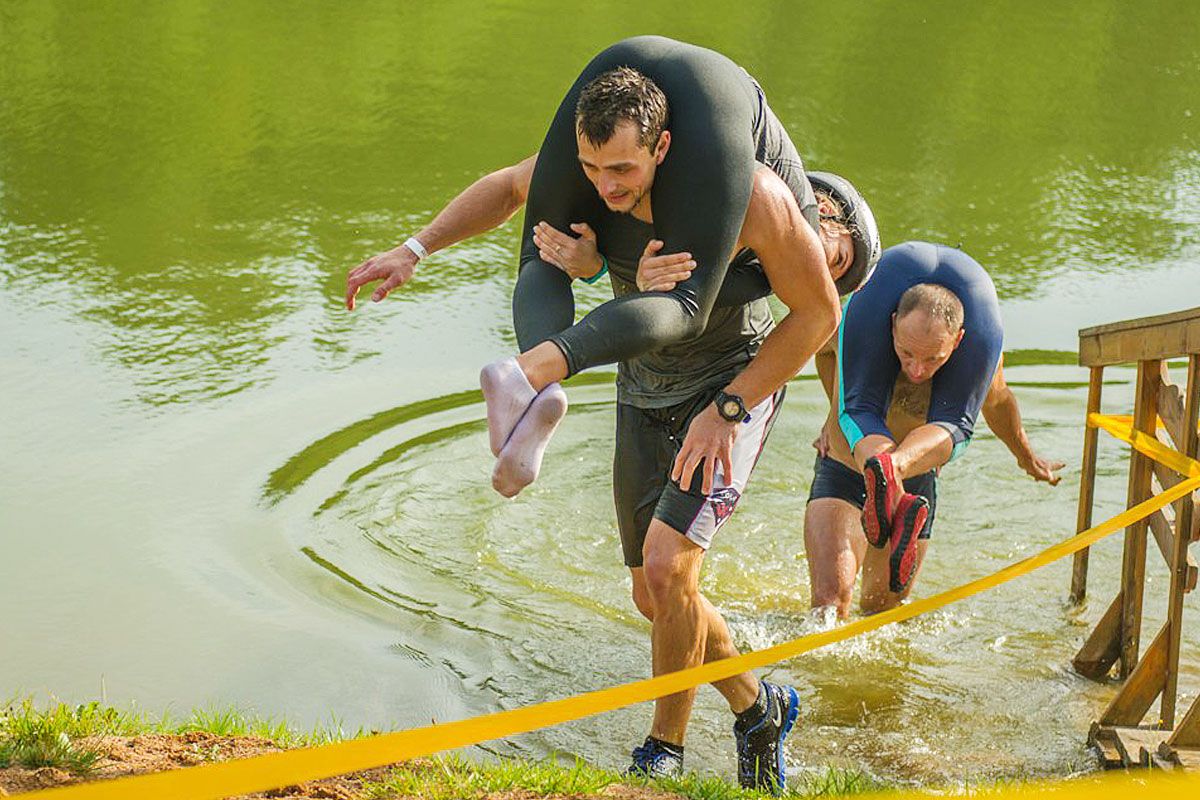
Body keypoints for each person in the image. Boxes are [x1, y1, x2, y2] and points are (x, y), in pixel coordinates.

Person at [344, 37, 880, 793]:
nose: (608, 185)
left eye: (624, 170)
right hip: (644, 380)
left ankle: (664, 748)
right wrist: (415, 249)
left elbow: (820, 315)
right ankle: (761, 705)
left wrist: (730, 409)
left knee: (672, 565)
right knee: (652, 592)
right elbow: (506, 189)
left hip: (729, 382)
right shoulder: (595, 166)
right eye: (595, 170)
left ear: (663, 147)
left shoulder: (753, 195)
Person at [805, 242, 1064, 618]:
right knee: (829, 605)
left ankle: (890, 478)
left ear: (958, 342)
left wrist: (1027, 457)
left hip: (916, 481)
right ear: (892, 323)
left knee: (881, 613)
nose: (916, 369)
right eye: (906, 353)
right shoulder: (853, 327)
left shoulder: (978, 360)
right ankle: (890, 479)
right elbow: (823, 353)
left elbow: (997, 403)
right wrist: (835, 413)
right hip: (845, 466)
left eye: (933, 359)